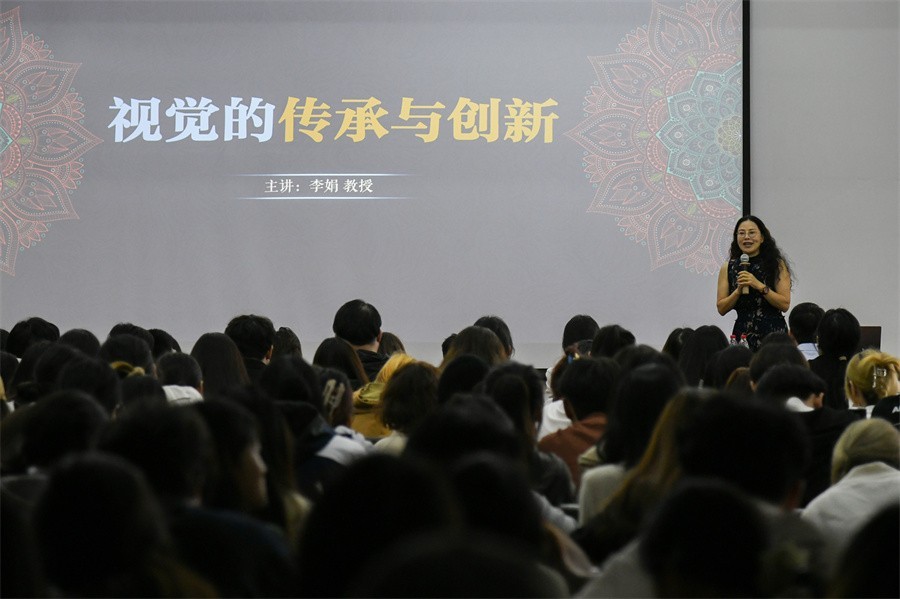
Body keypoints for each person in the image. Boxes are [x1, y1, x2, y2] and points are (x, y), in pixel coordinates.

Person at [716, 215, 792, 351]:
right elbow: (721, 308)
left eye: (752, 233)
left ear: (762, 238)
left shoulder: (776, 265)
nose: (746, 237)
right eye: (741, 233)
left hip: (773, 335)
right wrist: (738, 291)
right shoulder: (728, 267)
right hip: (742, 335)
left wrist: (759, 285)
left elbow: (784, 304)